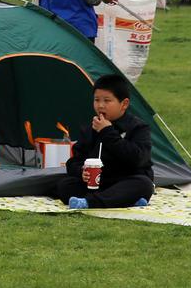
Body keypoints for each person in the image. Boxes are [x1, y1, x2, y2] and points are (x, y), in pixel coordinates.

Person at [55, 74, 155, 210]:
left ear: (124, 104)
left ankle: (89, 202)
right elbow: (74, 161)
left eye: (107, 101)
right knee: (65, 185)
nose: (100, 106)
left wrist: (107, 131)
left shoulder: (138, 127)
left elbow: (138, 158)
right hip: (100, 183)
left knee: (143, 184)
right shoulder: (89, 129)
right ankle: (125, 200)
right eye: (97, 100)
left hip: (126, 180)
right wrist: (81, 171)